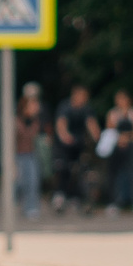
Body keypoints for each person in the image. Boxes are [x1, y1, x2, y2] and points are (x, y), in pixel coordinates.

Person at [52, 85, 95, 213]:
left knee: (81, 170)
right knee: (64, 169)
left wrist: (96, 137)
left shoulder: (86, 109)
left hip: (79, 145)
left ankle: (78, 198)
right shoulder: (65, 107)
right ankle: (59, 196)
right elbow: (61, 123)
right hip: (65, 145)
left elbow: (91, 124)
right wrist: (65, 136)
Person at [106, 89, 133, 214]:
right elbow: (110, 130)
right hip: (116, 147)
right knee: (114, 174)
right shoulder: (112, 114)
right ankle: (114, 202)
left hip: (130, 147)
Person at [14, 84, 44, 220]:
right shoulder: (17, 120)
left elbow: (35, 136)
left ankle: (31, 208)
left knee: (32, 181)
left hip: (31, 155)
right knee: (19, 183)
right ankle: (15, 204)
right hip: (18, 156)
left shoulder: (35, 121)